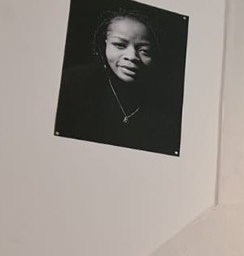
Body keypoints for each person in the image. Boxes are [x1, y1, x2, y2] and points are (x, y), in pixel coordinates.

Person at [55, 9, 180, 155]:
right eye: (120, 45)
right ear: (104, 44)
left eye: (144, 50)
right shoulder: (72, 83)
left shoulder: (167, 105)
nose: (132, 56)